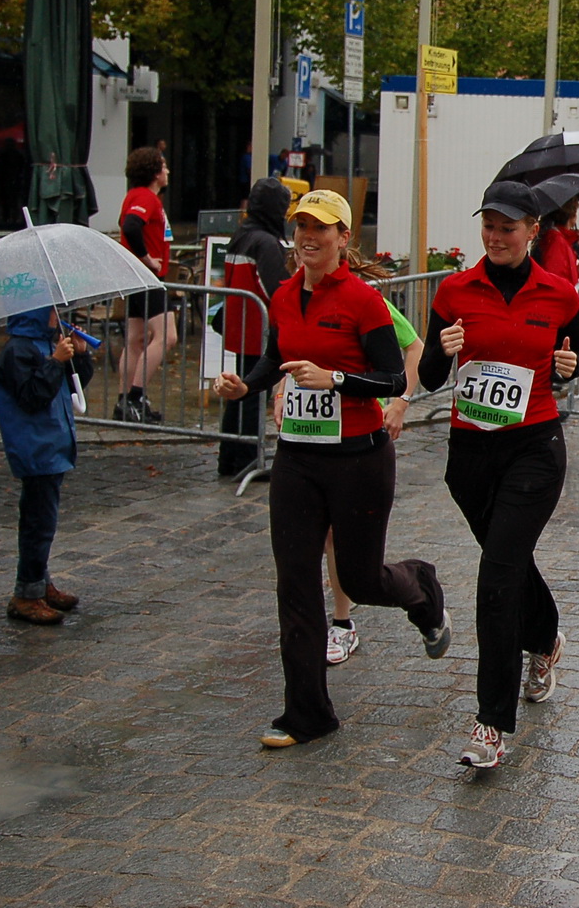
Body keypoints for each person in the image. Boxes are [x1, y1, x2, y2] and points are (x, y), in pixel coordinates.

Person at [212, 190, 449, 749]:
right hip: (298, 458)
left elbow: (393, 380)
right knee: (294, 583)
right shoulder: (286, 295)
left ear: (344, 238)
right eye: (300, 228)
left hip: (360, 459)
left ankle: (419, 585)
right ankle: (308, 714)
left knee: (362, 580)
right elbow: (276, 357)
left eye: (321, 229)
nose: (308, 238)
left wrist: (336, 379)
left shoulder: (363, 301)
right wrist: (246, 384)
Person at [415, 180, 579, 767]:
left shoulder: (560, 294)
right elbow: (435, 376)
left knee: (495, 580)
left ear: (533, 230)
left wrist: (569, 366)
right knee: (508, 562)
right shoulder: (455, 290)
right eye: (488, 225)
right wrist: (442, 346)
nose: (495, 237)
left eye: (507, 227)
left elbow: (577, 356)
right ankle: (545, 639)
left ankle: (490, 725)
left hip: (535, 447)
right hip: (471, 455)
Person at [324, 288, 426, 666]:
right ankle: (320, 623)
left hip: (361, 437)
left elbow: (414, 345)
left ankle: (341, 620)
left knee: (343, 541)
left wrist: (401, 403)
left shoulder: (367, 300)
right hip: (309, 438)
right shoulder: (293, 297)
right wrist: (282, 393)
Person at [0, 307, 96, 624]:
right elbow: (33, 395)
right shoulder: (18, 350)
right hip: (35, 446)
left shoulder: (43, 343)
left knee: (43, 522)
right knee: (38, 523)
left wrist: (79, 357)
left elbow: (71, 386)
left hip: (51, 444)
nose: (56, 315)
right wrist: (56, 362)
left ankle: (39, 582)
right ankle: (27, 593)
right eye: (50, 310)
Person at [217, 177, 292, 476]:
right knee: (250, 395)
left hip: (241, 325)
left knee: (238, 395)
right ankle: (248, 458)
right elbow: (277, 289)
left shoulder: (242, 235)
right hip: (257, 330)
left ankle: (229, 456)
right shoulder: (265, 242)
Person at [115, 147, 177, 423]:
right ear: (154, 172)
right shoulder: (145, 197)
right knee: (167, 335)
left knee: (136, 340)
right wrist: (146, 258)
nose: (167, 172)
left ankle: (124, 401)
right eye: (163, 167)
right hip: (147, 276)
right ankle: (135, 397)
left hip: (136, 276)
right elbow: (130, 226)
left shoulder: (138, 196)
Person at [533, 201, 579, 286]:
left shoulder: (561, 239)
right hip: (560, 297)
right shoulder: (557, 241)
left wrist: (578, 271)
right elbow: (555, 276)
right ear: (571, 216)